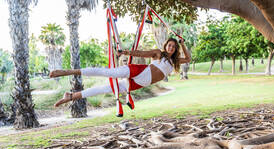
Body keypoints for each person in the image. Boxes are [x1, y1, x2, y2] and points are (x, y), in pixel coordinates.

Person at [50, 38, 190, 107]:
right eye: (169, 45)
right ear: (166, 46)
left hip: (139, 83)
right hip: (139, 72)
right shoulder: (159, 53)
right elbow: (142, 53)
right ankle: (66, 72)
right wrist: (127, 52)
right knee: (107, 73)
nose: (171, 47)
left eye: (173, 46)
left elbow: (189, 58)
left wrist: (182, 43)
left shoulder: (175, 61)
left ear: (176, 49)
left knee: (105, 89)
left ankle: (71, 96)